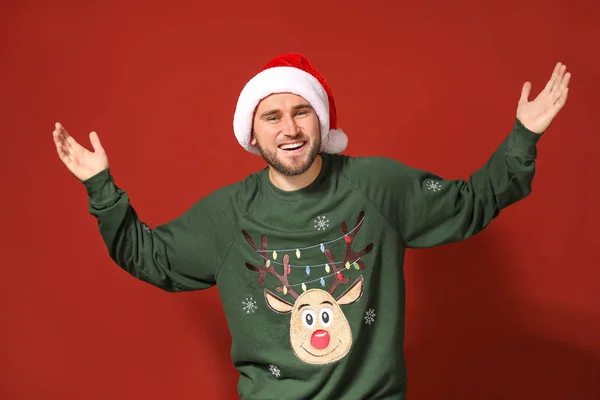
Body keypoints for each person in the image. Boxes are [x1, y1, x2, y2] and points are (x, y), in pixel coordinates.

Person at [52, 53, 571, 399]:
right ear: (253, 135)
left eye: (301, 112)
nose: (290, 129)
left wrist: (524, 135)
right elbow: (149, 257)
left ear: (321, 122)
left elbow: (472, 201)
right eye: (271, 116)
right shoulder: (229, 215)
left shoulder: (377, 187)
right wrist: (102, 188)